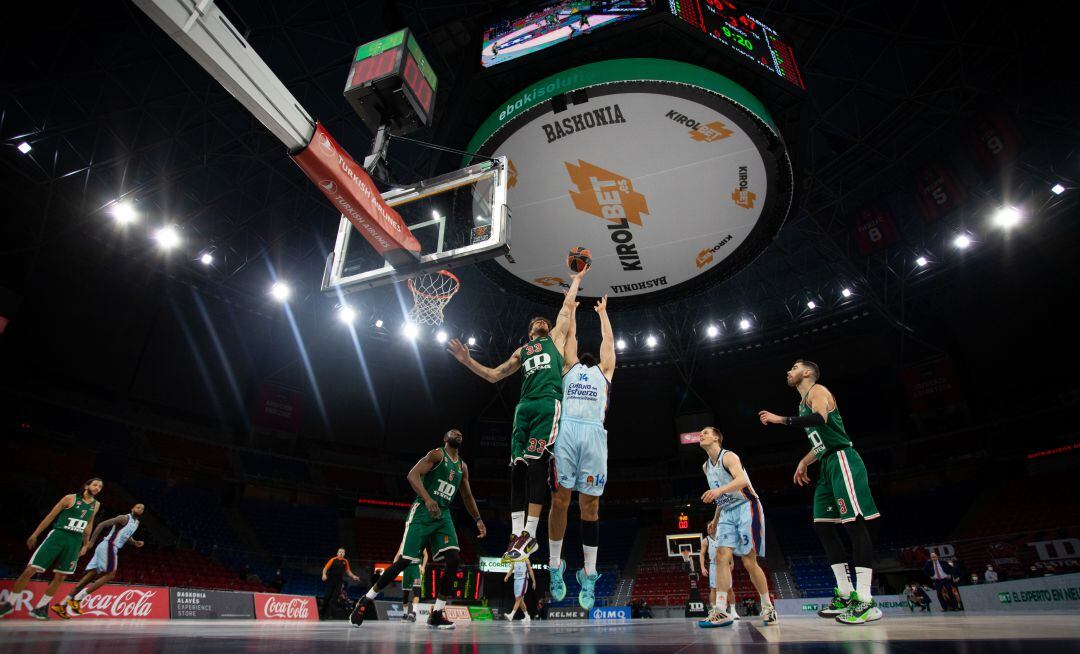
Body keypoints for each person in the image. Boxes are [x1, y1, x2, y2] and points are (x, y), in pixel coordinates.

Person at [448, 265, 588, 562]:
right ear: (529, 332)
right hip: (523, 409)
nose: (540, 321)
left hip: (547, 404)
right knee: (517, 470)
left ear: (548, 329)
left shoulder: (556, 340)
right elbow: (494, 375)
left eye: (544, 321)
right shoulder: (522, 351)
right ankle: (516, 533)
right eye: (535, 321)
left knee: (537, 466)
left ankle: (530, 534)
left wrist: (575, 280)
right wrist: (467, 361)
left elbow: (565, 309)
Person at [759, 360, 882, 625]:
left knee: (854, 524)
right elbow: (819, 442)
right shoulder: (802, 403)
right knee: (823, 526)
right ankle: (846, 594)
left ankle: (865, 600)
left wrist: (781, 420)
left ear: (806, 373)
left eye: (793, 367)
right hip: (826, 463)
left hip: (842, 459)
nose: (788, 371)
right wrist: (804, 461)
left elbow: (820, 419)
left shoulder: (818, 391)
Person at [350, 429, 486, 630]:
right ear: (445, 438)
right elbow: (412, 475)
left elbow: (467, 497)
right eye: (453, 432)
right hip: (422, 512)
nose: (457, 433)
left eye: (460, 433)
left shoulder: (462, 467)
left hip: (443, 515)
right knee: (404, 561)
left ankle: (437, 614)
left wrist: (478, 519)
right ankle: (366, 599)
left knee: (455, 560)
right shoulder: (436, 455)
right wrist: (428, 498)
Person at [548, 294, 614, 610]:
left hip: (593, 436)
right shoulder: (569, 367)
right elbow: (571, 339)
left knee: (591, 507)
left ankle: (589, 573)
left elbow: (608, 346)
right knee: (560, 499)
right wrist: (571, 312)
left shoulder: (605, 371)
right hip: (567, 431)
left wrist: (603, 314)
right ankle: (554, 565)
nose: (585, 357)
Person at [696, 427, 776, 628]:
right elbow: (721, 497)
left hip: (747, 506)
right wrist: (715, 517)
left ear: (716, 438)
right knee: (721, 556)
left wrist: (718, 491)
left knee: (749, 561)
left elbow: (742, 481)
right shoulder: (706, 467)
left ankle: (767, 607)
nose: (701, 435)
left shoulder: (729, 456)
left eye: (706, 432)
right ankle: (721, 611)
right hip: (727, 511)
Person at [0, 478, 103, 620]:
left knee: (61, 576)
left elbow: (89, 524)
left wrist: (86, 544)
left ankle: (40, 608)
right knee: (30, 569)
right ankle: (9, 603)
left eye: (100, 486)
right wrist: (35, 534)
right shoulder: (70, 498)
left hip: (75, 541)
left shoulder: (96, 505)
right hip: (58, 536)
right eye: (95, 485)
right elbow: (50, 517)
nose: (98, 488)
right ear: (86, 486)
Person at [52, 502, 145, 619]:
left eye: (142, 508)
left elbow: (125, 536)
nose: (140, 509)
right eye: (138, 507)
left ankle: (61, 604)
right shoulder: (124, 518)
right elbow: (101, 524)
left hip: (108, 547)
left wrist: (135, 542)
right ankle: (77, 599)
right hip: (109, 546)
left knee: (89, 577)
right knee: (111, 575)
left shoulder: (136, 523)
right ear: (132, 508)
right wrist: (91, 542)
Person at [320, 548, 359, 620]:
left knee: (334, 598)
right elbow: (325, 568)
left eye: (343, 552)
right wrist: (324, 574)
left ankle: (329, 615)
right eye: (340, 552)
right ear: (337, 553)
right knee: (327, 597)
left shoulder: (345, 561)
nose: (341, 553)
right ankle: (322, 614)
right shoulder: (333, 559)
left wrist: (353, 576)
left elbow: (348, 571)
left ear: (344, 554)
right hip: (331, 580)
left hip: (339, 582)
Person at [401, 548, 429, 622]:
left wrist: (423, 566)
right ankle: (405, 614)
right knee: (405, 594)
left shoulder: (421, 541)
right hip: (406, 568)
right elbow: (399, 554)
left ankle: (414, 613)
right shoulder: (406, 541)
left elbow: (426, 555)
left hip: (417, 569)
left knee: (416, 591)